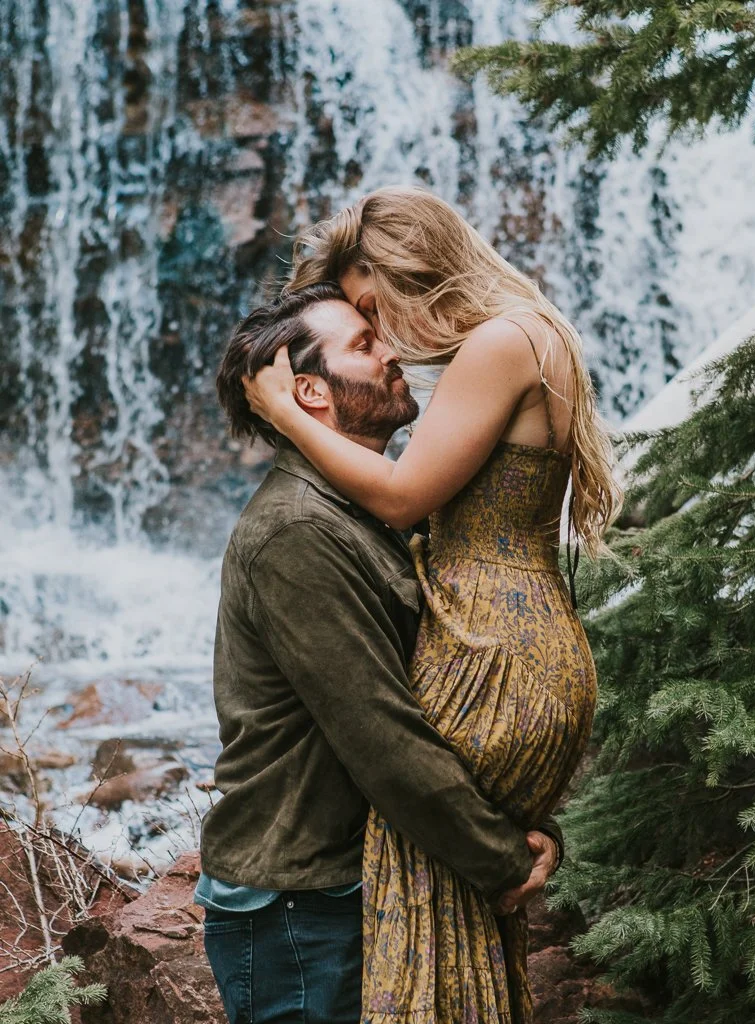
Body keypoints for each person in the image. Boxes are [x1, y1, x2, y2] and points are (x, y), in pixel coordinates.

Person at [242, 186, 623, 1024]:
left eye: (373, 309)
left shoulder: (499, 341)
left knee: (418, 883)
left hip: (493, 653)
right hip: (525, 648)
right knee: (456, 918)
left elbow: (403, 497)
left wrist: (282, 411)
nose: (389, 344)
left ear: (408, 268)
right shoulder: (530, 333)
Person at [198, 282, 565, 1024]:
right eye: (364, 346)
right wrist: (502, 858)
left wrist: (526, 815)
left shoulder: (367, 507)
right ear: (311, 392)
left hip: (344, 890)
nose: (393, 352)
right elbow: (382, 734)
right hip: (299, 911)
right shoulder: (298, 533)